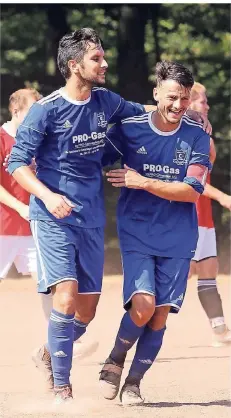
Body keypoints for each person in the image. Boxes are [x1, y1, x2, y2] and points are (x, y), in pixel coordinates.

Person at [7, 29, 209, 403]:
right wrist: (48, 197)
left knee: (86, 311)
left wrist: (192, 115)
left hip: (91, 215)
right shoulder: (46, 110)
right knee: (65, 297)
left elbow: (146, 112)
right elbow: (16, 162)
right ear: (74, 65)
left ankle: (48, 354)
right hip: (52, 214)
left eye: (103, 57)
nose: (104, 63)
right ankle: (62, 390)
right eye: (96, 58)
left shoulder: (106, 102)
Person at [99, 61, 211, 406]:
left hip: (178, 237)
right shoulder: (129, 128)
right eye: (172, 97)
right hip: (136, 230)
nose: (179, 106)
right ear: (156, 93)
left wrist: (143, 181)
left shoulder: (197, 137)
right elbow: (93, 154)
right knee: (144, 304)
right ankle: (115, 360)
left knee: (160, 313)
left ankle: (133, 382)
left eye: (185, 99)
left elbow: (191, 191)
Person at [188, 82, 231, 347]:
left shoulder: (207, 140)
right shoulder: (184, 137)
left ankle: (219, 329)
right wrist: (223, 197)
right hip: (185, 216)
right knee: (176, 277)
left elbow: (202, 177)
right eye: (202, 101)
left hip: (203, 218)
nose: (207, 106)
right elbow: (194, 181)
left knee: (208, 271)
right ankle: (141, 328)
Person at [0, 89, 41, 284]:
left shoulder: (39, 141)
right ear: (16, 111)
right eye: (33, 112)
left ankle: (54, 317)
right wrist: (20, 207)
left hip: (33, 226)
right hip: (3, 226)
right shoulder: (1, 138)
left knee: (47, 284)